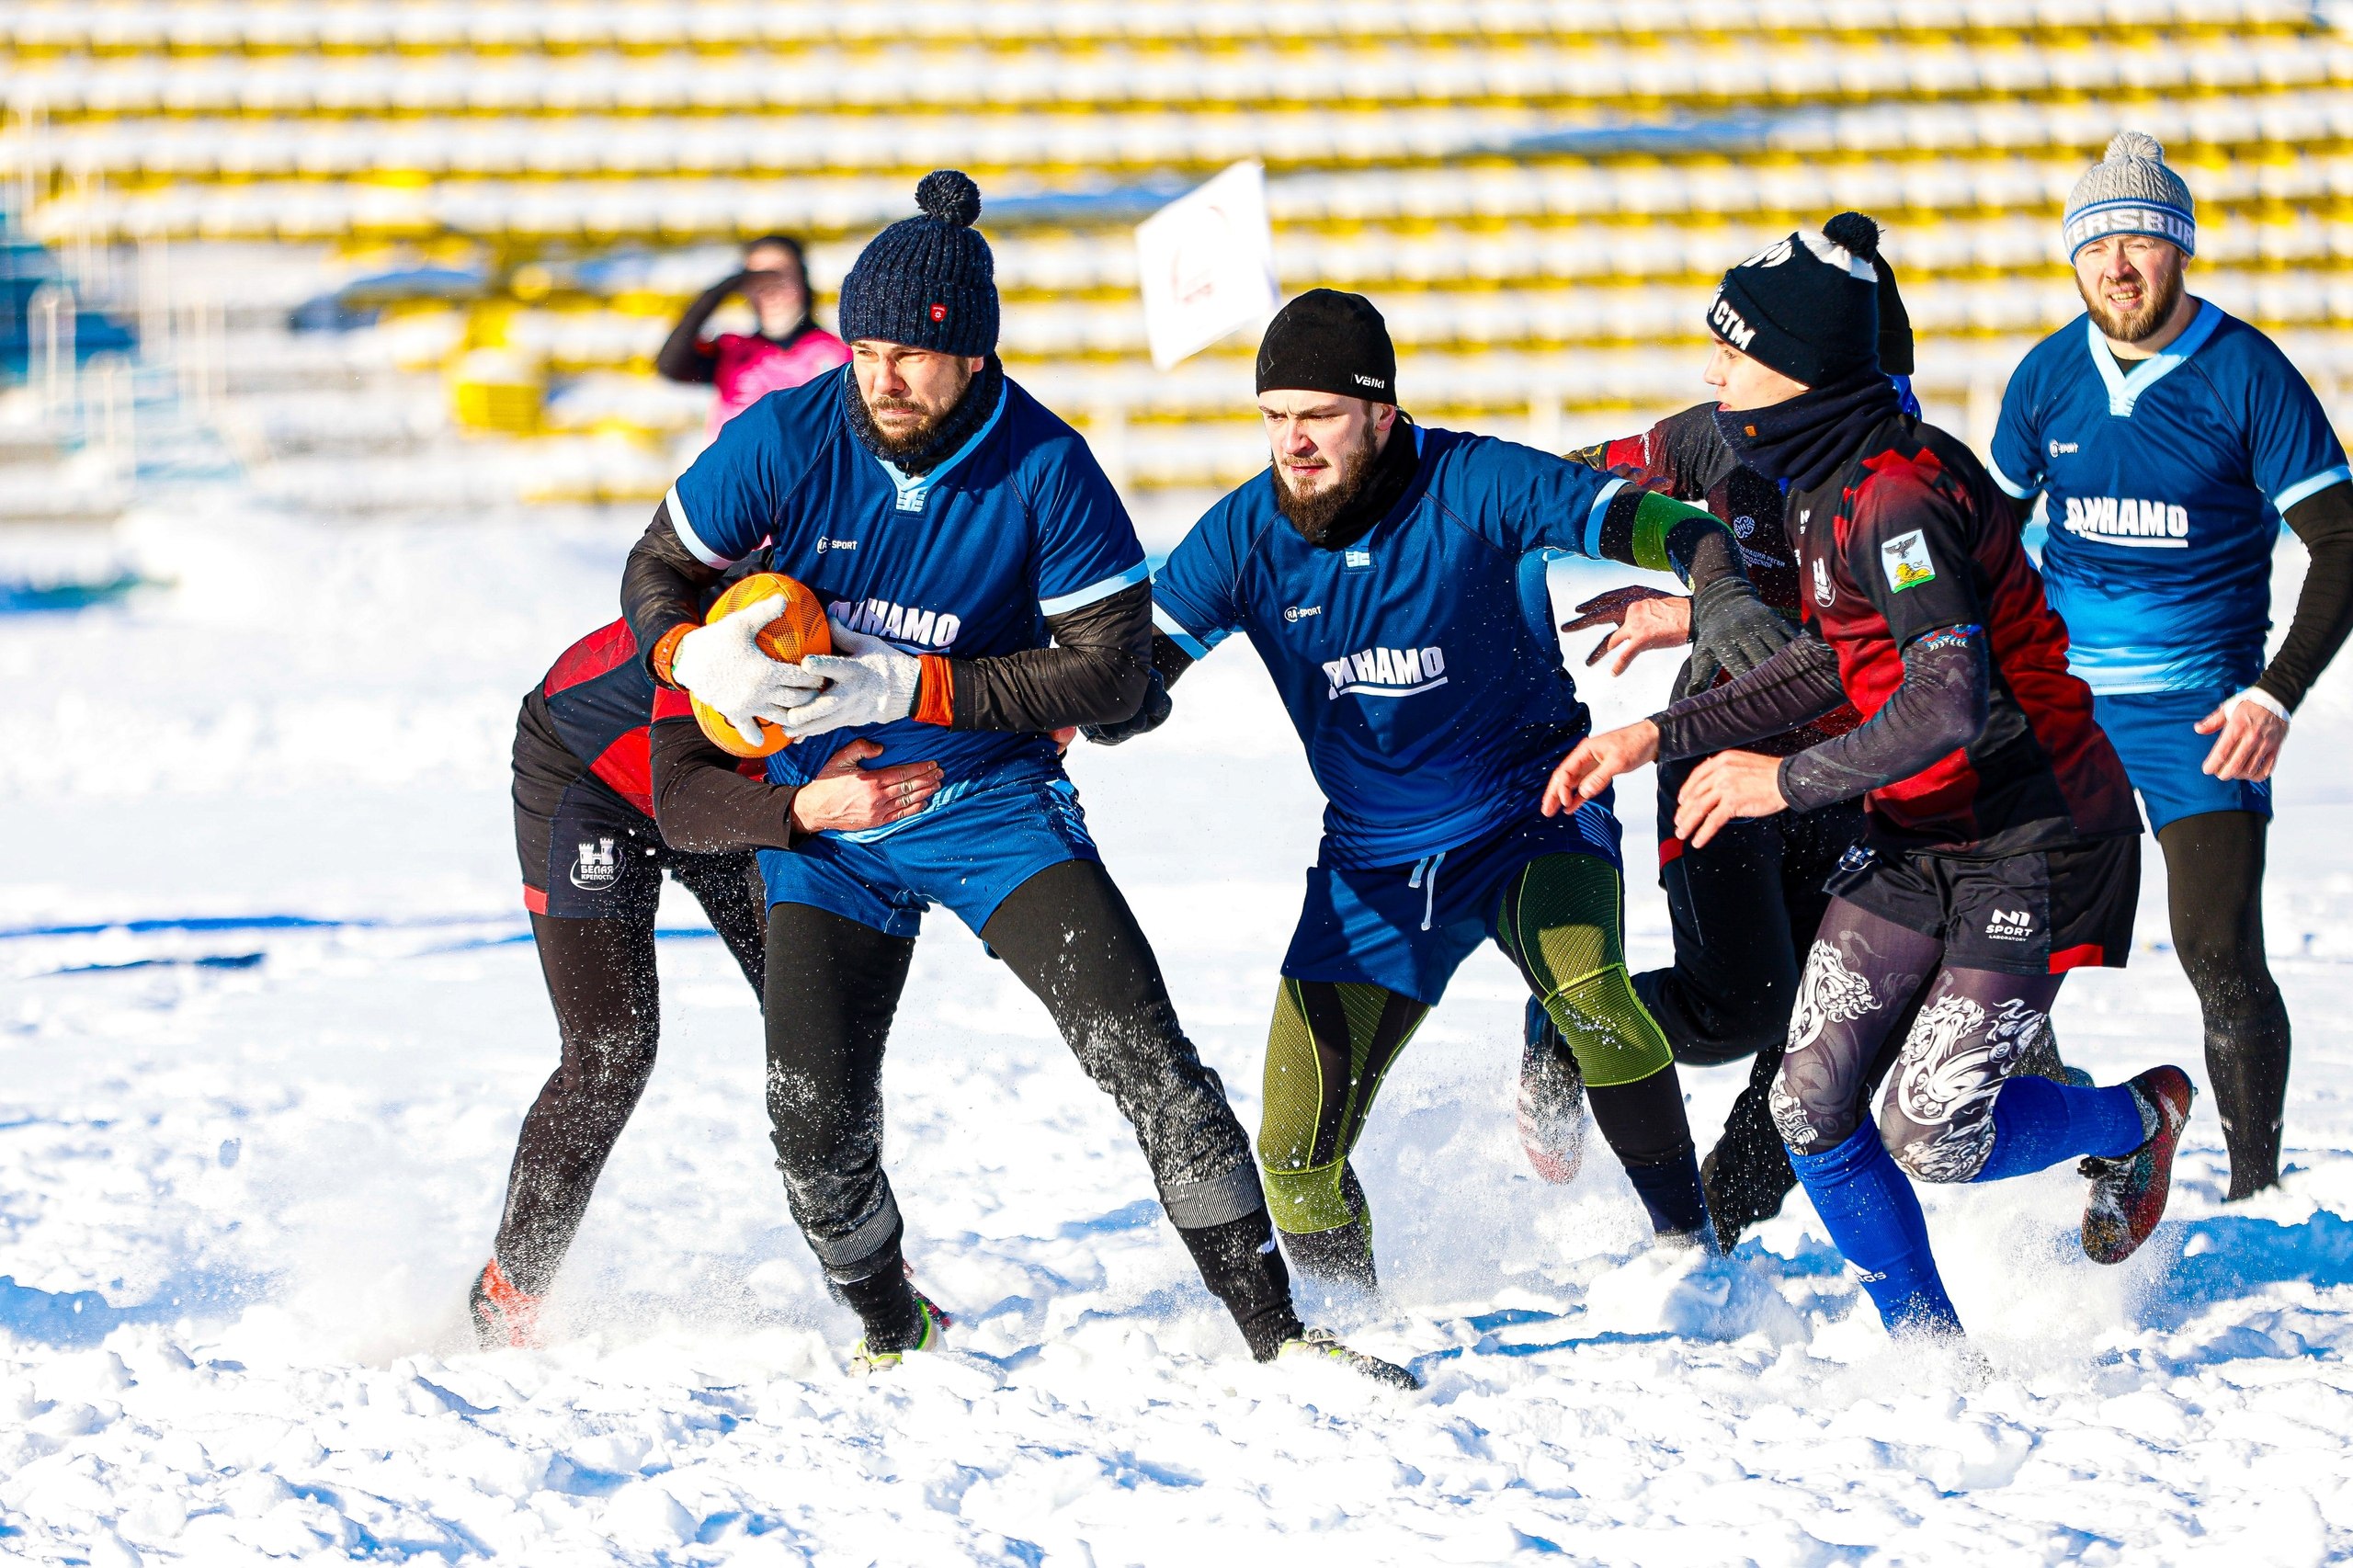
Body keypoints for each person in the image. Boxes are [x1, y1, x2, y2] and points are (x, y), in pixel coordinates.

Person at [622, 173, 1413, 1384]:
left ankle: (1277, 1331)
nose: (882, 378)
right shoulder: (785, 433)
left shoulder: (1046, 466)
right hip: (831, 821)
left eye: (912, 355)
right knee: (811, 1118)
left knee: (1143, 1054)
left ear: (975, 356)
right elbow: (655, 567)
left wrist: (910, 686)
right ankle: (896, 1329)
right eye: (865, 349)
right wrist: (689, 652)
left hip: (990, 806)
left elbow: (1109, 674)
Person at [1549, 214, 2193, 1344]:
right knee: (1808, 1103)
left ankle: (2137, 1118)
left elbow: (1945, 702)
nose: (1711, 374)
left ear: (1800, 372)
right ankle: (1927, 1353)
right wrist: (1656, 733)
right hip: (1915, 829)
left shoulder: (1898, 495)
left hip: (2032, 835)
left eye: (1732, 353)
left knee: (1929, 1130)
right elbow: (1831, 662)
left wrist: (1781, 780)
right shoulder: (1812, 480)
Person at [1087, 288, 1802, 1293]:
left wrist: (1717, 588)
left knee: (1594, 998)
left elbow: (1670, 524)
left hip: (1532, 814)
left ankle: (1691, 1252)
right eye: (1275, 416)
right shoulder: (1244, 532)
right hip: (1374, 866)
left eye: (1320, 415)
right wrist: (1112, 699)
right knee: (1291, 1154)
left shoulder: (1475, 482)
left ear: (1381, 414)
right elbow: (1126, 675)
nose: (1294, 442)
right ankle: (1352, 1321)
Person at [1989, 132, 2353, 1201]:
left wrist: (2274, 691)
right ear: (2073, 258)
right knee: (2008, 955)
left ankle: (2254, 1193)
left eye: (2140, 240)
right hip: (2064, 711)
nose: (2117, 264)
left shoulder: (2247, 372)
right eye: (2095, 243)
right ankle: (2072, 1137)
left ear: (2179, 249)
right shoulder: (2045, 376)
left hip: (2202, 711)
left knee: (2218, 950)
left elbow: (2340, 540)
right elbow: (1984, 542)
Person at [472, 613, 943, 1347]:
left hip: (737, 789)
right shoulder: (754, 591)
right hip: (590, 777)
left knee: (818, 1028)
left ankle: (870, 1270)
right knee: (611, 1053)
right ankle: (511, 1291)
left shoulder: (888, 600)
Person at [654, 233, 852, 437]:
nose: (769, 289)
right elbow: (669, 366)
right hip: (735, 458)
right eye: (756, 279)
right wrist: (719, 292)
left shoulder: (839, 354)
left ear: (802, 279)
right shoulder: (730, 350)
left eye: (779, 276)